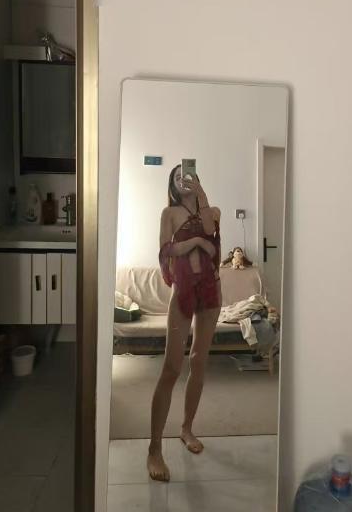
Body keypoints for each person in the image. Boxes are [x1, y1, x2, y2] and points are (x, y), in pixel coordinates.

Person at [147, 164, 222, 482]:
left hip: (211, 291)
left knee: (199, 361)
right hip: (183, 292)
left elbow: (209, 231)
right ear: (172, 186)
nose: (184, 180)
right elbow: (166, 249)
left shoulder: (212, 210)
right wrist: (196, 244)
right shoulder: (169, 213)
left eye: (189, 175)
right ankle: (154, 449)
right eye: (178, 177)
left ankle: (187, 428)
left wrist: (201, 195)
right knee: (171, 368)